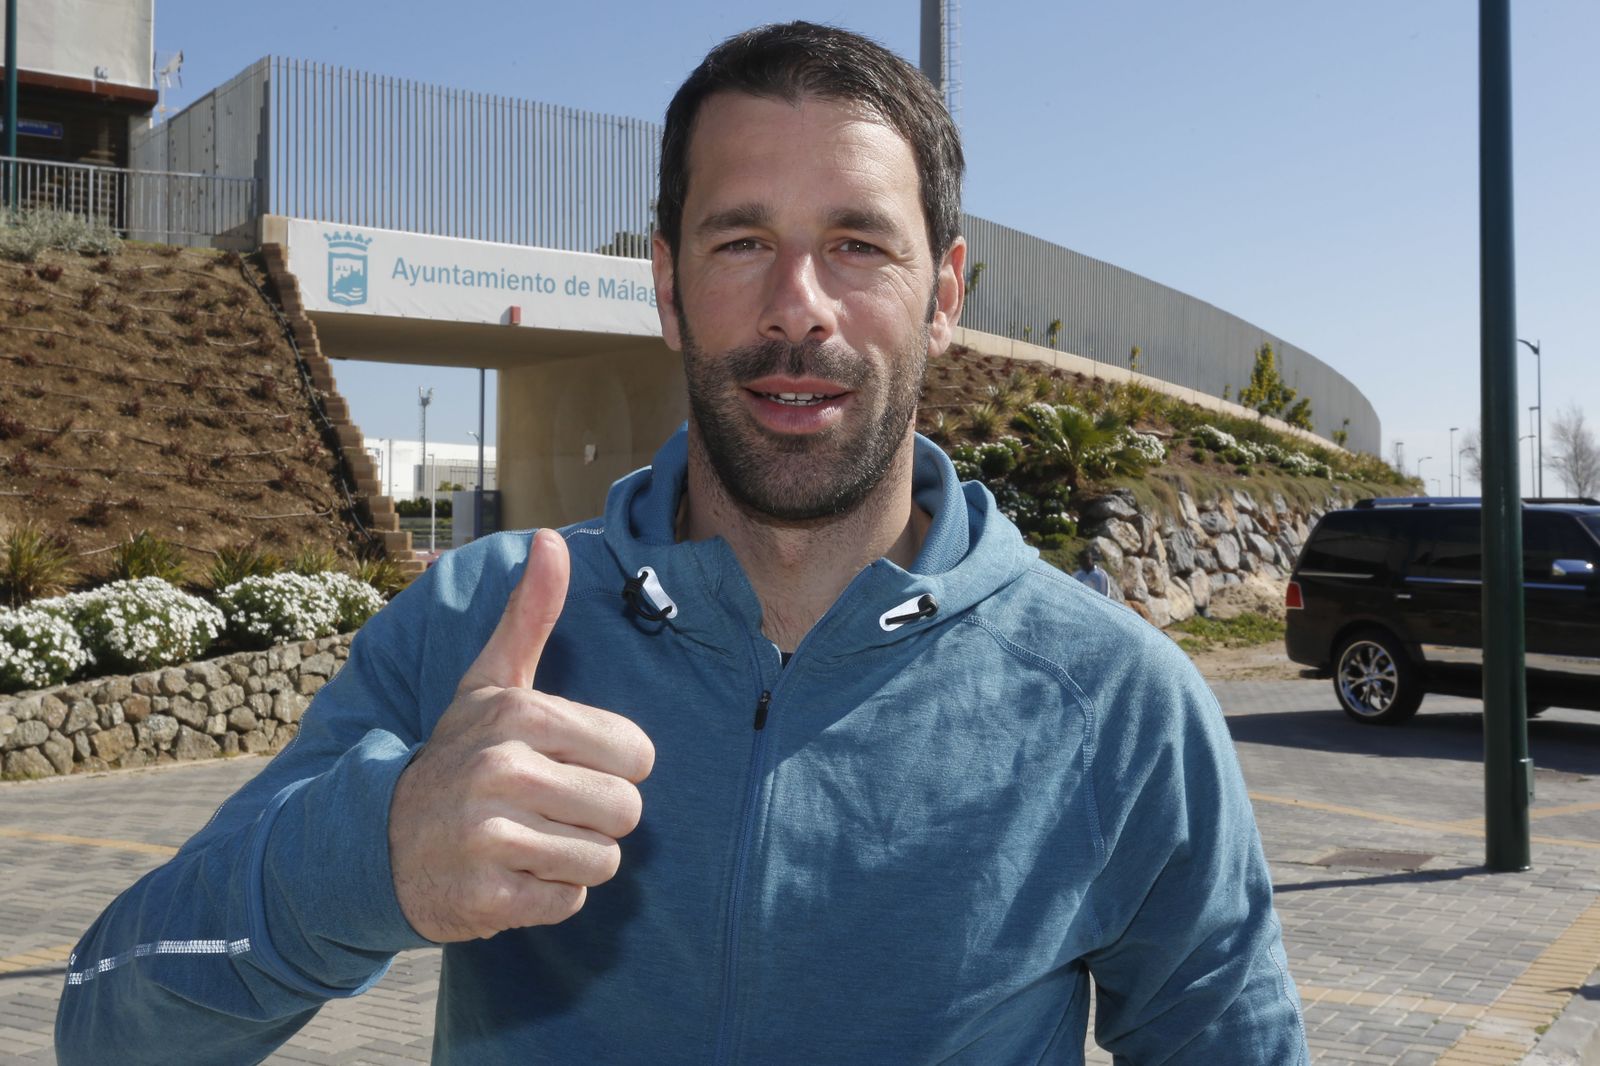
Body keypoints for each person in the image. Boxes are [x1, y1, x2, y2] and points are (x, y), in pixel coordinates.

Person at [56, 22, 1308, 1065]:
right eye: (741, 241)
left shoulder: (1117, 700)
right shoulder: (483, 621)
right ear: (666, 284)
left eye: (858, 245)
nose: (796, 307)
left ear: (944, 292)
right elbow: (105, 1024)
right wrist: (365, 858)